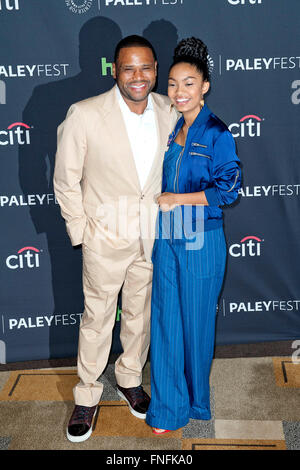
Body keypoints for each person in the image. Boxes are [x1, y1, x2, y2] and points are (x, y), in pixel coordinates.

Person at [54, 35, 178, 442]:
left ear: (157, 70)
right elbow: (65, 180)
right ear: (115, 71)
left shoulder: (170, 110)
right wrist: (82, 232)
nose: (137, 76)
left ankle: (129, 379)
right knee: (97, 319)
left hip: (153, 236)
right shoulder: (85, 114)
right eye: (128, 68)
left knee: (140, 315)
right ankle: (87, 395)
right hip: (104, 237)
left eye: (145, 67)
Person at [145, 37, 241, 434]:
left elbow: (229, 190)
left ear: (204, 86)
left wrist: (177, 198)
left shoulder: (217, 133)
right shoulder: (171, 128)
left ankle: (197, 403)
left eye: (188, 83)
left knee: (196, 325)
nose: (178, 91)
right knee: (165, 323)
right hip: (166, 236)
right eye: (172, 83)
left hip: (202, 240)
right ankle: (169, 409)